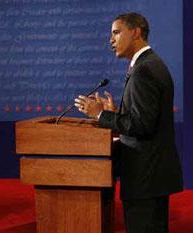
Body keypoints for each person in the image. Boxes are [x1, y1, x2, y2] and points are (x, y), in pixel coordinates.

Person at [75, 13, 183, 233]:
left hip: (145, 178)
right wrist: (116, 114)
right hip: (151, 177)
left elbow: (142, 125)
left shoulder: (144, 69)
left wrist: (100, 115)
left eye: (116, 32)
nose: (110, 40)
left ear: (136, 32)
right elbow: (144, 118)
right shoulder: (150, 64)